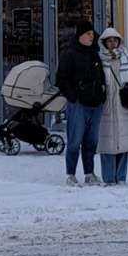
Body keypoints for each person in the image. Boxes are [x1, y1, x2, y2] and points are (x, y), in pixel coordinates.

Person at [55, 22, 106, 185]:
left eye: (92, 34)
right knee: (75, 140)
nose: (92, 37)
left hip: (96, 103)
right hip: (78, 104)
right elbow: (61, 79)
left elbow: (101, 76)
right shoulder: (69, 54)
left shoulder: (95, 54)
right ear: (80, 35)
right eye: (88, 34)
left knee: (91, 141)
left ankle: (89, 173)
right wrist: (72, 96)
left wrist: (102, 94)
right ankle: (70, 174)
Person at [96, 25, 128, 184]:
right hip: (106, 106)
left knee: (123, 143)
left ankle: (121, 177)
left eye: (114, 40)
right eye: (109, 41)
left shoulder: (127, 58)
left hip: (123, 105)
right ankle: (109, 178)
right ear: (103, 42)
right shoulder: (99, 60)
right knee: (107, 144)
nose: (112, 43)